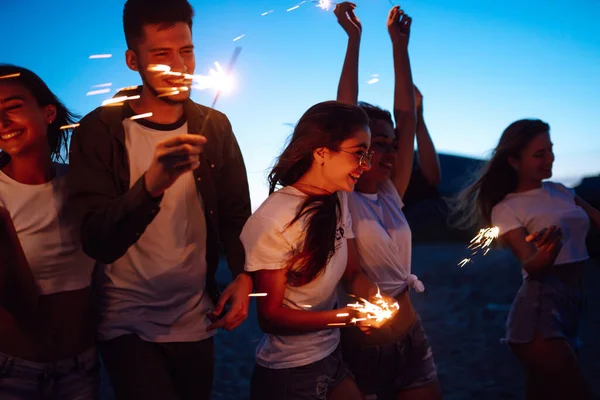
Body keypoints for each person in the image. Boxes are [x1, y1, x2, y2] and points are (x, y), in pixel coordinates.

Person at [66, 0, 253, 398]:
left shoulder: (214, 125)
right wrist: (151, 184)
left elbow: (237, 213)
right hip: (125, 319)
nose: (179, 66)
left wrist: (243, 274)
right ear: (133, 60)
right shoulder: (100, 130)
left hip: (196, 315)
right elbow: (97, 239)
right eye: (162, 54)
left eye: (186, 51)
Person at [242, 100, 397, 400]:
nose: (365, 165)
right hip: (290, 372)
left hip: (331, 355)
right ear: (322, 152)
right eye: (358, 154)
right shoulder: (275, 217)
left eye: (367, 155)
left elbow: (352, 272)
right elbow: (271, 317)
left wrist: (375, 301)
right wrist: (347, 317)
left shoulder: (338, 200)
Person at [333, 3, 442, 399]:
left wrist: (400, 46)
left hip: (412, 336)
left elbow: (407, 119)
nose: (393, 153)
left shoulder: (390, 192)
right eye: (379, 145)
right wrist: (355, 40)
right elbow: (344, 112)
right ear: (356, 148)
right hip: (365, 348)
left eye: (394, 145)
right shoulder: (342, 197)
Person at [455, 119, 600, 399]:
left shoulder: (561, 191)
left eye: (551, 150)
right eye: (539, 154)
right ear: (513, 160)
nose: (550, 158)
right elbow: (530, 265)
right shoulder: (506, 208)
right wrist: (549, 251)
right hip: (540, 310)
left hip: (574, 305)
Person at [0, 65, 98, 399]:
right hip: (11, 372)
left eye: (13, 107)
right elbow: (19, 302)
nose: (2, 123)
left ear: (49, 113)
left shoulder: (83, 184)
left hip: (81, 369)